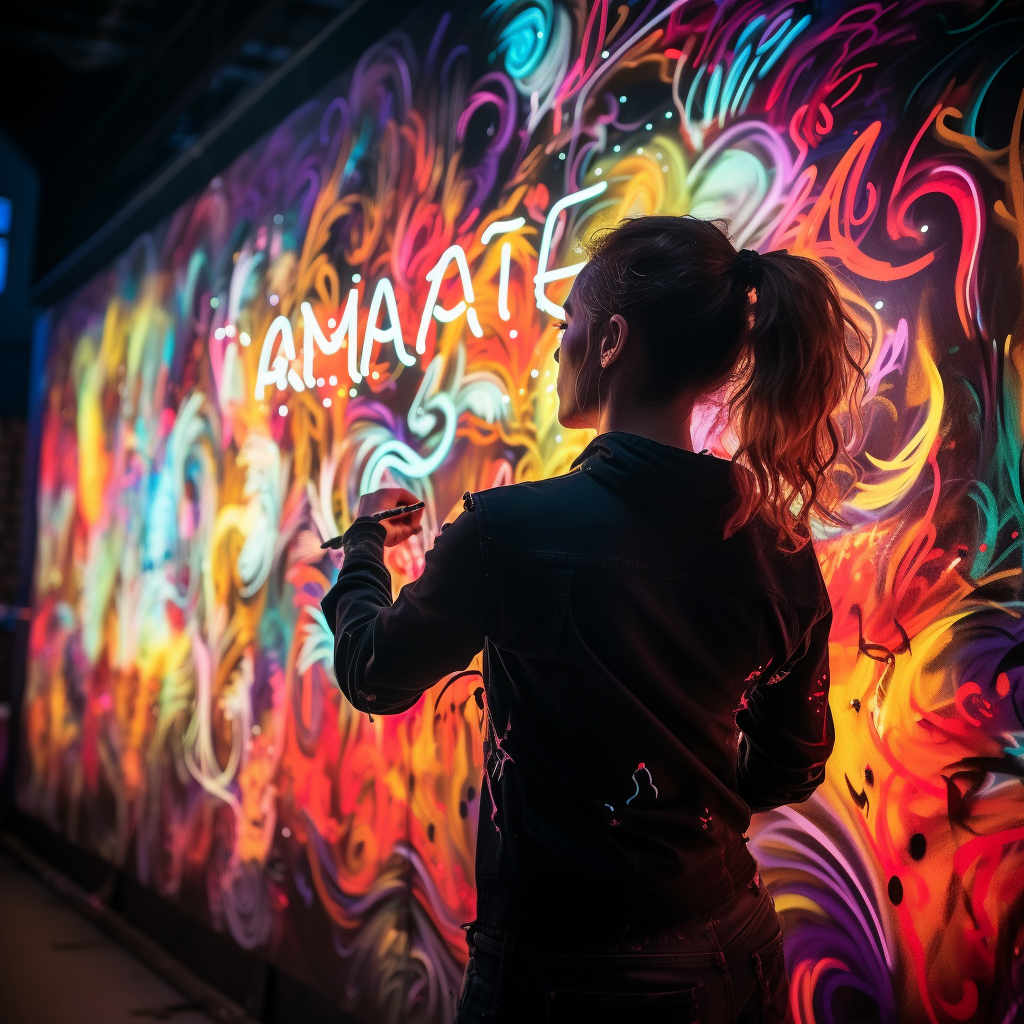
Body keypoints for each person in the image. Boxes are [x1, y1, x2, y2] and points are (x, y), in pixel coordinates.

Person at [321, 216, 866, 1023]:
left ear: (611, 340)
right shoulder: (779, 551)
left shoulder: (506, 533)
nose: (554, 346)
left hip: (566, 978)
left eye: (568, 320)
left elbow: (372, 673)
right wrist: (685, 794)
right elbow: (791, 765)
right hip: (735, 948)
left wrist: (364, 544)